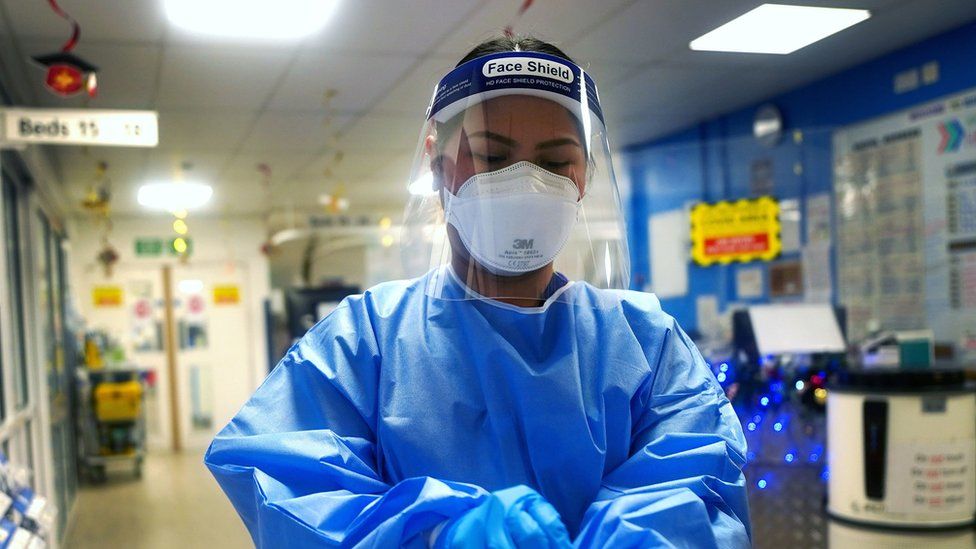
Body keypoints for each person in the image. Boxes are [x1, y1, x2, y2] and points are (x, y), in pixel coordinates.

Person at [206, 36, 750, 548]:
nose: (526, 182)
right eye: (492, 157)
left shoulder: (646, 345)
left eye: (556, 162)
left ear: (583, 176)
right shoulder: (362, 341)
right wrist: (435, 534)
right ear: (438, 165)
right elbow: (286, 483)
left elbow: (695, 486)